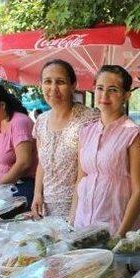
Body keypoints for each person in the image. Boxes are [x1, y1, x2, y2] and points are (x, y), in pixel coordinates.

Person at [70, 65, 140, 237]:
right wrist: (72, 222)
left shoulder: (135, 135)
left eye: (113, 90)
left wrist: (119, 235)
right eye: (100, 88)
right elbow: (81, 179)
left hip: (115, 227)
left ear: (126, 95)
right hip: (83, 226)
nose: (104, 95)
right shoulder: (86, 132)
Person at [32, 59, 99, 218]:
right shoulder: (41, 121)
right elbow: (42, 163)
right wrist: (37, 194)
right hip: (46, 208)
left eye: (60, 82)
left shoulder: (89, 118)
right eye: (47, 81)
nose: (53, 88)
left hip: (81, 208)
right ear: (41, 84)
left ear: (73, 85)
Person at [0, 82, 38, 207]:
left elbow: (24, 163)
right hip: (5, 189)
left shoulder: (19, 122)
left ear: (2, 105)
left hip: (23, 188)